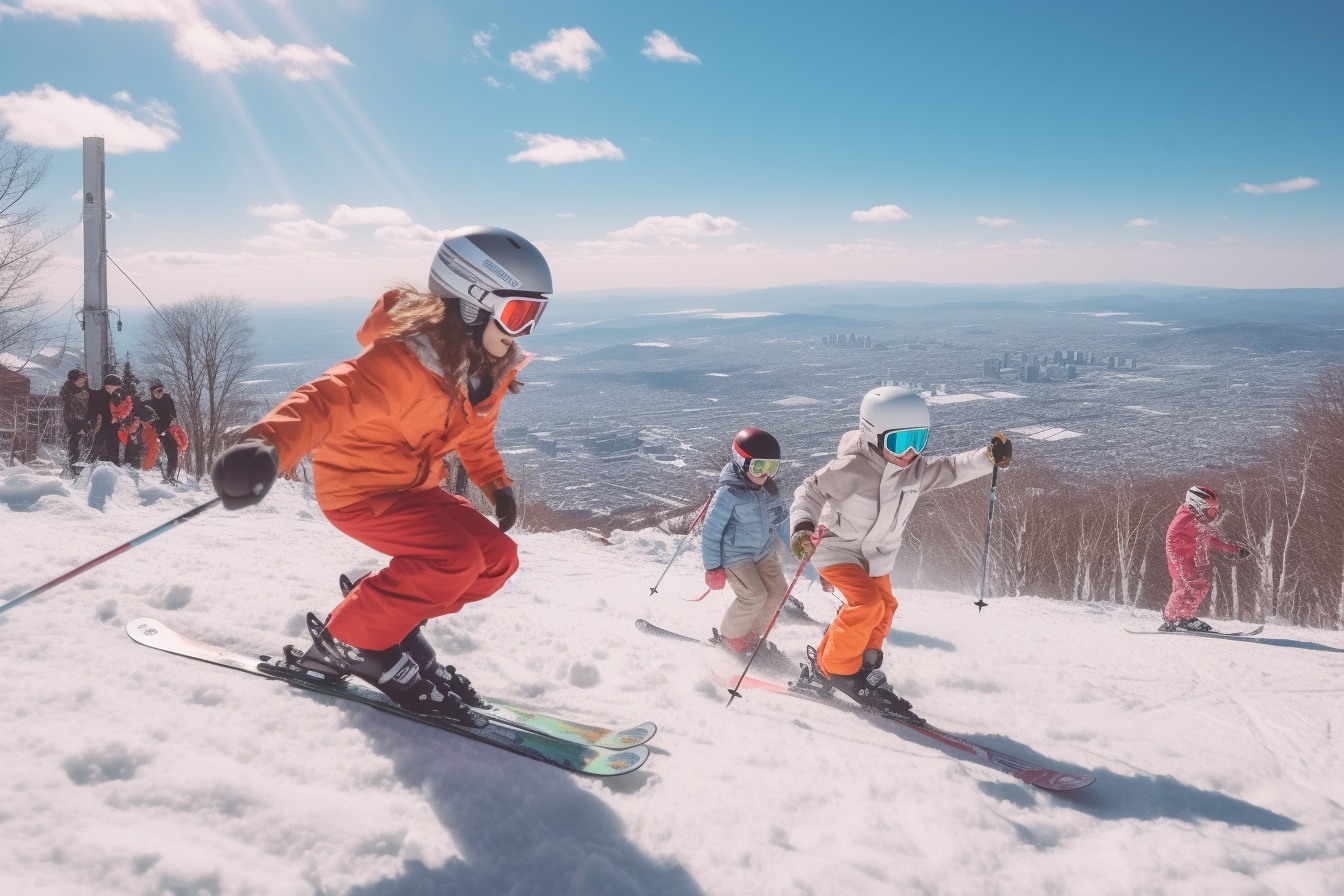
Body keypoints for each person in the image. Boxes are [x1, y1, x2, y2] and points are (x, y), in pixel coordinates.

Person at [210, 226, 551, 725]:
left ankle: (382, 612)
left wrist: (496, 483)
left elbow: (474, 435)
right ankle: (351, 643)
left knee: (497, 560)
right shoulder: (399, 362)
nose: (524, 332)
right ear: (473, 300)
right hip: (360, 492)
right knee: (452, 559)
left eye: (535, 316)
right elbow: (323, 401)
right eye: (520, 314)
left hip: (413, 489)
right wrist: (266, 447)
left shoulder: (486, 371)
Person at [789, 386, 1012, 720]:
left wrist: (988, 458)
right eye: (898, 442)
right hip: (837, 549)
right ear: (873, 437)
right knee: (866, 604)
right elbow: (809, 491)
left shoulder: (915, 471)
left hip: (877, 555)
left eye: (918, 441)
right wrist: (803, 527)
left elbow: (952, 468)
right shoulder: (850, 469)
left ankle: (859, 663)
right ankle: (836, 668)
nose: (910, 452)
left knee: (885, 607)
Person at [701, 427, 793, 671]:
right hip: (735, 556)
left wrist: (800, 542)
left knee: (777, 593)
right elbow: (710, 531)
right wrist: (712, 568)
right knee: (754, 596)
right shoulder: (728, 494)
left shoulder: (768, 491)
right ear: (742, 463)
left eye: (771, 468)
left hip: (761, 551)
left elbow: (782, 521)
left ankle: (750, 636)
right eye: (759, 467)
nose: (764, 474)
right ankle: (732, 637)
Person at [1160, 485, 1249, 632]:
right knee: (1187, 589)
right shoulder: (1184, 519)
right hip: (1181, 562)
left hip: (1190, 561)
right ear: (1198, 506)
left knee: (1196, 587)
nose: (1213, 516)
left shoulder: (1196, 521)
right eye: (1211, 511)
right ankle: (1171, 620)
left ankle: (1184, 618)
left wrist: (1235, 550)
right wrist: (1177, 561)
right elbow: (1170, 538)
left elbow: (1210, 539)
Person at [85, 374, 128, 465]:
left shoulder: (116, 396)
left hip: (114, 426)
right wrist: (92, 423)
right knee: (97, 447)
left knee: (113, 448)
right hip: (101, 425)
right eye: (116, 387)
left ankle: (114, 467)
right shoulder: (97, 395)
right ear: (108, 386)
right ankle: (87, 466)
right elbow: (91, 412)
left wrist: (118, 418)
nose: (118, 389)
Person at [145, 381, 181, 481]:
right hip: (157, 430)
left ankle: (171, 476)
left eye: (161, 390)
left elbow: (173, 413)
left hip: (169, 428)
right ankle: (165, 476)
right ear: (153, 392)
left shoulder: (168, 399)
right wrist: (160, 428)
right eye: (157, 391)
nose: (160, 393)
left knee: (173, 450)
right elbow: (151, 419)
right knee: (162, 451)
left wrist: (167, 424)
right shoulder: (150, 404)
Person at [59, 369, 91, 472]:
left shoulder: (84, 389)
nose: (83, 381)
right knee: (75, 443)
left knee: (88, 442)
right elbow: (73, 409)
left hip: (85, 420)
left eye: (84, 379)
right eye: (80, 380)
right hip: (73, 420)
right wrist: (82, 423)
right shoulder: (68, 391)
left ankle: (86, 465)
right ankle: (74, 467)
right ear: (74, 381)